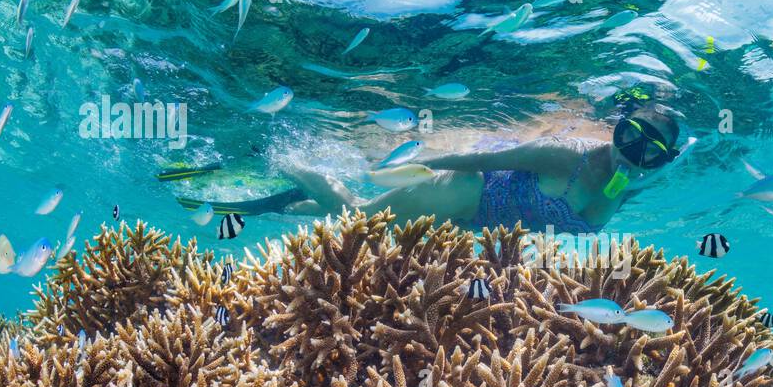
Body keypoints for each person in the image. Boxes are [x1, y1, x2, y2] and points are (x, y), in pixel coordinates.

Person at [277, 103, 684, 234]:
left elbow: (593, 219)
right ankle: (287, 162)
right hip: (460, 190)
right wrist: (409, 165)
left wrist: (624, 183)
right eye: (630, 135)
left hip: (471, 224)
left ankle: (293, 206)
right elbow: (482, 161)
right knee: (360, 221)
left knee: (362, 218)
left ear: (660, 160)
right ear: (618, 128)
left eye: (649, 151)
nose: (632, 153)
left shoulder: (625, 188)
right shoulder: (564, 155)